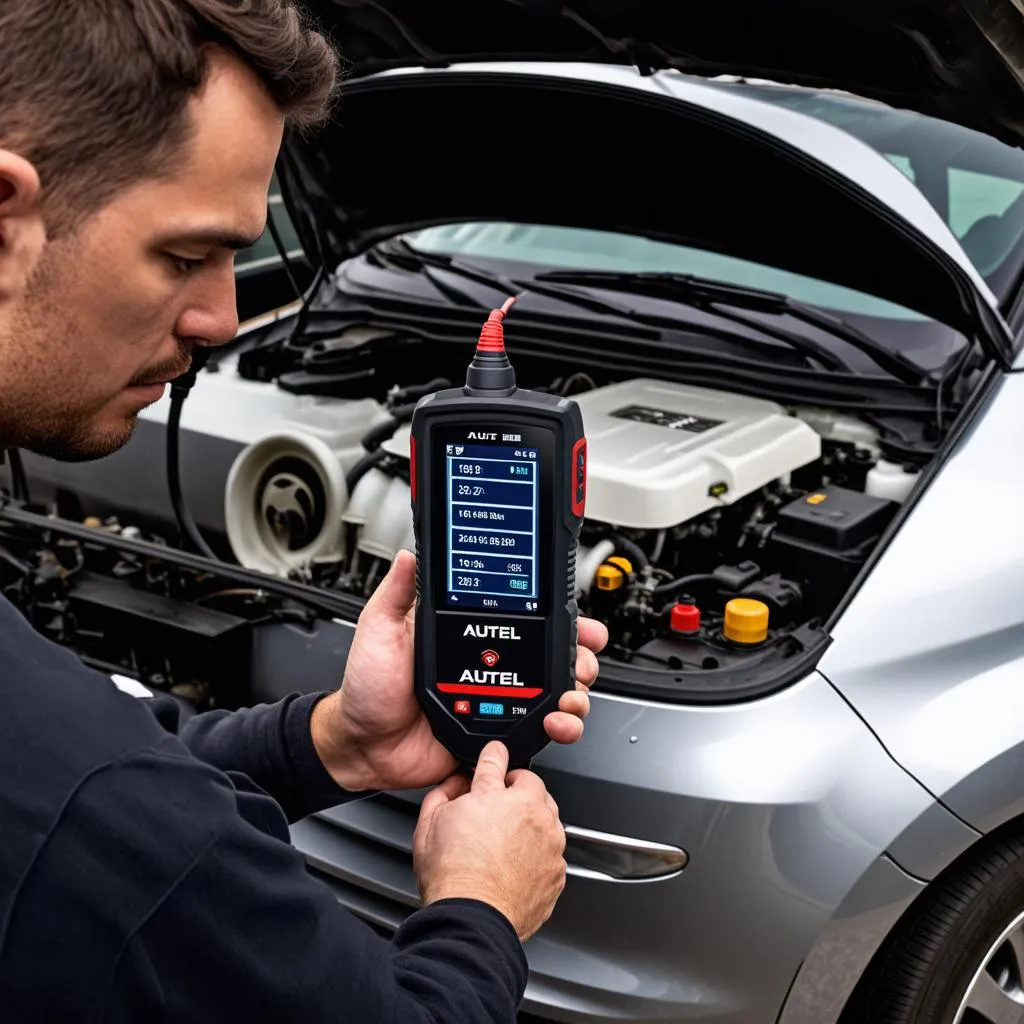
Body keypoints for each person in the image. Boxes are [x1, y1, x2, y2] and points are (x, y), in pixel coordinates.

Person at [0, 2, 608, 1021]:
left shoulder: (84, 790)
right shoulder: (92, 801)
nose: (225, 320)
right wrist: (481, 908)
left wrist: (332, 742)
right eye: (187, 254)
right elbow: (101, 804)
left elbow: (103, 785)